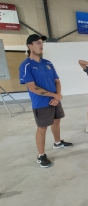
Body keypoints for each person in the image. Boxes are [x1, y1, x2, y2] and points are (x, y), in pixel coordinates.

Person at [19, 34, 73, 168]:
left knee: (57, 121)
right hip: (41, 103)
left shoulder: (47, 63)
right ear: (29, 46)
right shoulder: (26, 65)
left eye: (42, 43)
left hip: (55, 99)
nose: (41, 45)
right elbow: (32, 87)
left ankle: (57, 142)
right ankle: (41, 155)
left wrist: (57, 96)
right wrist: (54, 95)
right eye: (37, 43)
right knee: (42, 128)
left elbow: (57, 81)